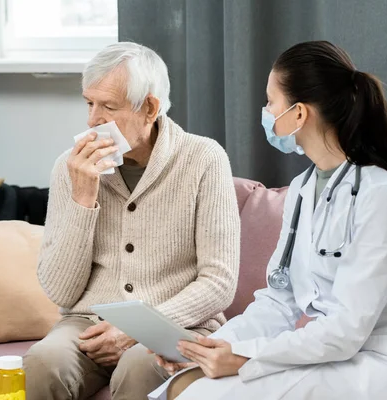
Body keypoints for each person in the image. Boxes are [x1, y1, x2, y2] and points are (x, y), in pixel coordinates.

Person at [153, 41, 387, 400]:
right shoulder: (303, 188)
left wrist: (245, 358)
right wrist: (208, 347)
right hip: (335, 353)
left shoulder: (384, 195)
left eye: (270, 102)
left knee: (201, 396)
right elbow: (279, 301)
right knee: (183, 385)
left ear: (299, 114)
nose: (265, 111)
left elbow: (348, 328)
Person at [23, 42, 240, 400]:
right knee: (44, 362)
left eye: (108, 107)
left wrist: (135, 329)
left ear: (150, 108)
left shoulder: (204, 159)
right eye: (88, 103)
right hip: (87, 324)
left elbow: (219, 282)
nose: (93, 120)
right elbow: (60, 291)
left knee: (140, 365)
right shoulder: (70, 167)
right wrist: (83, 198)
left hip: (178, 322)